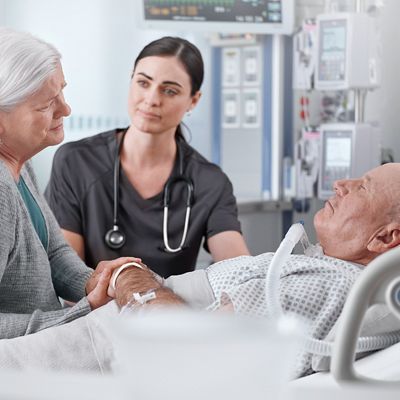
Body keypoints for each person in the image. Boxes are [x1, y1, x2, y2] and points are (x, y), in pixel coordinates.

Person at [1, 163, 400, 377]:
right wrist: (131, 283)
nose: (341, 184)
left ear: (384, 239)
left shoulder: (326, 283)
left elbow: (186, 343)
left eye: (362, 187)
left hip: (106, 352)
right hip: (112, 325)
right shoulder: (312, 264)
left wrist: (134, 280)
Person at [44, 36, 250, 277]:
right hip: (96, 313)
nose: (152, 99)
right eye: (143, 83)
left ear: (193, 100)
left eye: (170, 90)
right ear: (131, 80)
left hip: (170, 312)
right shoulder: (76, 162)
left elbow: (241, 270)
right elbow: (68, 274)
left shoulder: (209, 182)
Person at [0, 27, 140, 339]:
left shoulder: (20, 162)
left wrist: (95, 281)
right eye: (46, 104)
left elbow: (53, 253)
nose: (66, 109)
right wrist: (82, 312)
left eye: (62, 92)